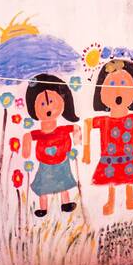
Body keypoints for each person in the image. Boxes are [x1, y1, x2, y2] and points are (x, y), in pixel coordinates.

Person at [83, 58, 133, 215]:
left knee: (129, 179)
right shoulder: (104, 121)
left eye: (123, 84)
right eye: (112, 85)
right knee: (111, 181)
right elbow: (87, 124)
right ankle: (111, 202)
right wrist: (86, 150)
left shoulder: (131, 119)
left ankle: (130, 200)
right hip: (110, 159)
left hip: (128, 157)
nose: (118, 92)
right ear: (100, 92)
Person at [22, 74, 79, 216]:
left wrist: (78, 139)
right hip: (45, 164)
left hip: (61, 161)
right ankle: (43, 208)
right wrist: (26, 145)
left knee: (63, 183)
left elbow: (75, 128)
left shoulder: (60, 130)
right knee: (44, 186)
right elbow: (29, 136)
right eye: (42, 104)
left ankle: (65, 204)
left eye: (52, 102)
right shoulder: (40, 133)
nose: (48, 108)